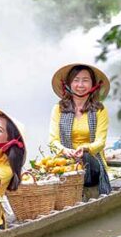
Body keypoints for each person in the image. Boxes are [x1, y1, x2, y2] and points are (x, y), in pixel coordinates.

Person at [48, 63, 112, 200]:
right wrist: (64, 150)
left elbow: (101, 142)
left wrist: (85, 148)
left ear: (93, 84)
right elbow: (53, 141)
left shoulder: (100, 109)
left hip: (91, 161)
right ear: (69, 84)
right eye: (76, 80)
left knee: (85, 159)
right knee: (53, 166)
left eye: (85, 80)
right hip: (65, 160)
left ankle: (83, 193)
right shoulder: (58, 109)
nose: (80, 85)